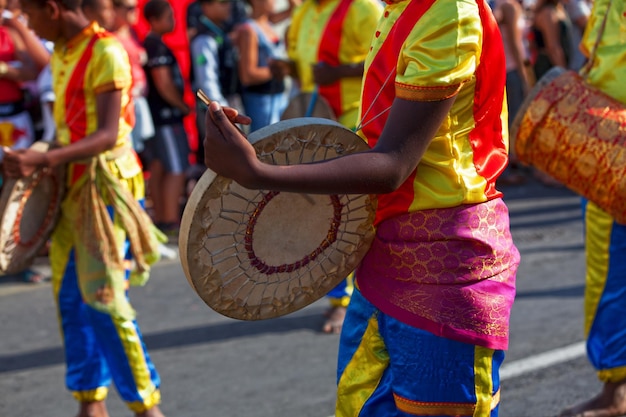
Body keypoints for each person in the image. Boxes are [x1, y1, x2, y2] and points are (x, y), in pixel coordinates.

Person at [202, 0, 520, 414]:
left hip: (444, 265)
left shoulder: (448, 11)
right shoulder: (398, 7)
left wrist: (260, 173)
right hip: (381, 254)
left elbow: (393, 165)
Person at [5, 0, 166, 416]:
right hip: (70, 184)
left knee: (104, 299)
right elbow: (70, 125)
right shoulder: (62, 49)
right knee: (71, 298)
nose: (26, 21)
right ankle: (90, 402)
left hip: (103, 188)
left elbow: (109, 134)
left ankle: (146, 407)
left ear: (53, 9)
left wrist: (41, 159)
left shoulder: (106, 51)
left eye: (29, 13)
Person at [269, 0, 382, 334]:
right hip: (312, 125)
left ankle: (347, 301)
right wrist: (286, 68)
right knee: (322, 214)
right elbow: (303, 69)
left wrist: (341, 72)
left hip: (353, 123)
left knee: (346, 215)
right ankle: (340, 296)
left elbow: (389, 64)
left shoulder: (364, 9)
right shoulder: (303, 12)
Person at [557, 1, 626, 416]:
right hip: (604, 150)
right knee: (609, 271)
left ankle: (617, 393)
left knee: (611, 275)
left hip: (617, 150)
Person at [0, 0, 48, 283]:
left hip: (15, 119)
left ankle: (18, 260)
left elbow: (36, 69)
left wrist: (6, 72)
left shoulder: (11, 28)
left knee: (17, 189)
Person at [143, 0, 191, 238]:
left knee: (160, 166)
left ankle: (163, 220)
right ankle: (169, 221)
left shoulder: (155, 45)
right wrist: (182, 105)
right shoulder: (155, 47)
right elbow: (163, 83)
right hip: (164, 118)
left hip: (159, 118)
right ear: (153, 20)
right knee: (175, 167)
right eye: (168, 16)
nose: (173, 21)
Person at [189, 0, 241, 158]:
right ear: (206, 6)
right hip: (217, 108)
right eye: (223, 2)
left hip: (228, 101)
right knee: (226, 158)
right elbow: (206, 81)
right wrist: (221, 110)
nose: (229, 5)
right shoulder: (204, 38)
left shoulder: (220, 31)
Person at [235, 0, 288, 132]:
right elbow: (247, 75)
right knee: (266, 147)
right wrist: (279, 70)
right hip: (261, 102)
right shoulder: (249, 30)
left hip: (279, 97)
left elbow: (296, 9)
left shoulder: (268, 22)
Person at [493, 0, 530, 186]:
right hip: (511, 70)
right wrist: (525, 76)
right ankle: (505, 170)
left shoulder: (499, 6)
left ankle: (507, 166)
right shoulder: (509, 6)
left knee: (504, 121)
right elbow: (517, 45)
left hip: (502, 69)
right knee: (511, 121)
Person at [110, 0, 155, 154]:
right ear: (113, 9)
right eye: (130, 8)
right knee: (130, 151)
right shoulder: (109, 37)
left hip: (140, 102)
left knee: (146, 154)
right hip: (125, 103)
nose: (136, 11)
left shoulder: (132, 32)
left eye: (136, 7)